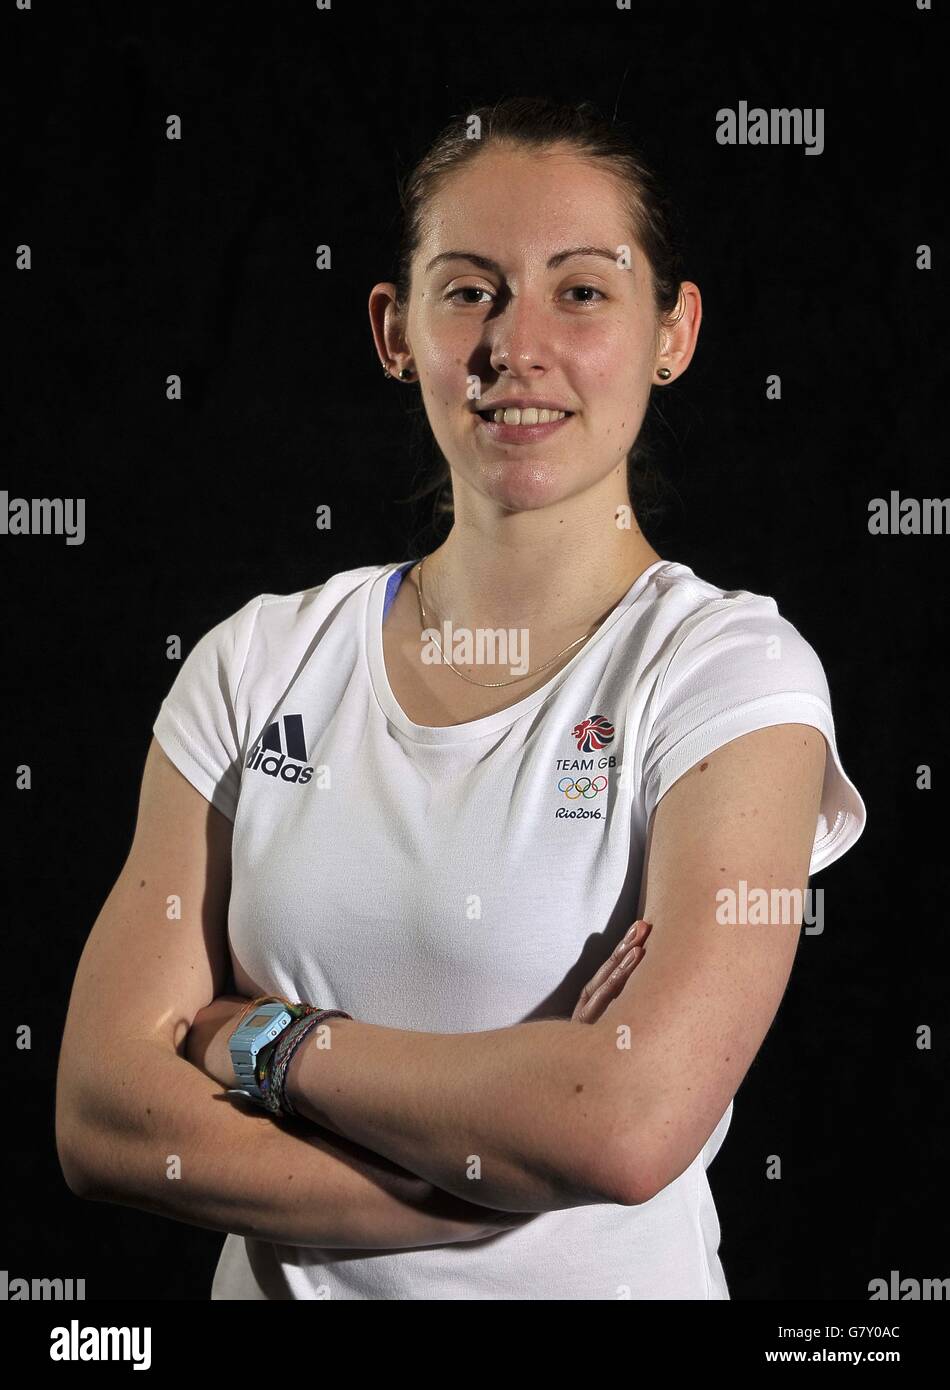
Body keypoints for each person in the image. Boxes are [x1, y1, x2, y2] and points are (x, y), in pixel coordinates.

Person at [56, 96, 866, 1300]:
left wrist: (256, 1038)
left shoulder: (728, 674)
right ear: (394, 330)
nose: (516, 345)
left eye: (581, 291)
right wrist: (473, 1187)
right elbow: (103, 1116)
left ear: (672, 330)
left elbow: (625, 1123)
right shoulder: (256, 661)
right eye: (468, 288)